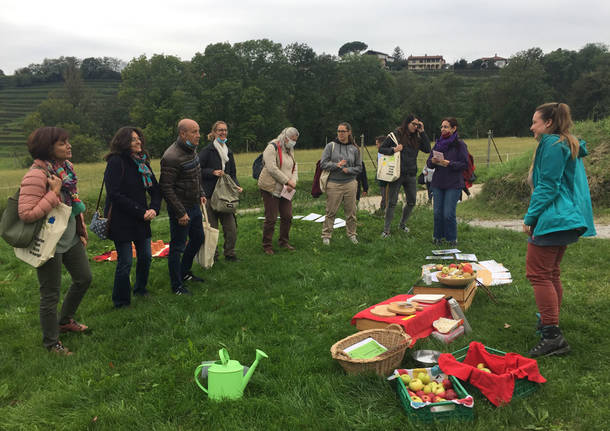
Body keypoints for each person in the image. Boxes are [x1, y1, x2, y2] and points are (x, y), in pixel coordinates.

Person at [523, 102, 596, 358]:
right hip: (564, 217)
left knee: (538, 274)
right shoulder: (564, 142)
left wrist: (530, 217)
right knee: (551, 272)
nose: (532, 127)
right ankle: (548, 322)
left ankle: (552, 336)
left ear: (549, 124)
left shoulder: (552, 145)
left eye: (535, 122)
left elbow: (549, 187)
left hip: (553, 218)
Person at [18, 127, 92, 355]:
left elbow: (71, 202)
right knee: (50, 293)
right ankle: (52, 343)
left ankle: (65, 320)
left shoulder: (66, 169)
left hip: (68, 236)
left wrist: (80, 227)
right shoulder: (36, 175)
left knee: (84, 278)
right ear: (48, 148)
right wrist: (53, 193)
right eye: (62, 143)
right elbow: (26, 213)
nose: (69, 146)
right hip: (48, 242)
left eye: (67, 142)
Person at [103, 127, 161, 308]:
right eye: (134, 139)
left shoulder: (142, 163)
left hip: (141, 219)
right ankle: (121, 301)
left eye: (139, 139)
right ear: (123, 142)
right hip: (122, 220)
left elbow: (155, 190)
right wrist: (140, 211)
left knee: (145, 257)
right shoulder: (115, 162)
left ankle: (141, 289)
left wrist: (154, 208)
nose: (139, 142)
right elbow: (114, 194)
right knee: (125, 261)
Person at [160, 119, 207, 295]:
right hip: (181, 209)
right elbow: (166, 187)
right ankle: (176, 285)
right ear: (183, 134)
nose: (198, 135)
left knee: (198, 238)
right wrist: (180, 213)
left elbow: (196, 175)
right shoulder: (171, 156)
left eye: (198, 131)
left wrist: (201, 192)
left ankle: (184, 272)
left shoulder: (192, 150)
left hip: (194, 204)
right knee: (178, 246)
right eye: (194, 132)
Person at [379, 114, 430, 237]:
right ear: (407, 123)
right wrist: (394, 150)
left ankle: (402, 224)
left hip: (411, 174)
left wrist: (422, 132)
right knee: (392, 202)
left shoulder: (417, 138)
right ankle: (386, 230)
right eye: (413, 124)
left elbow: (428, 149)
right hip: (397, 174)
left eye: (417, 125)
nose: (415, 126)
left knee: (412, 201)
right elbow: (381, 149)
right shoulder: (395, 135)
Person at [198, 121, 243, 261]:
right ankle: (213, 256)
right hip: (210, 195)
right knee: (212, 229)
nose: (223, 133)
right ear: (214, 132)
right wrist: (212, 172)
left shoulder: (228, 151)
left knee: (231, 228)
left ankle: (230, 253)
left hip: (226, 196)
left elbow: (233, 173)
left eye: (225, 130)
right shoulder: (207, 151)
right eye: (220, 130)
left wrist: (236, 185)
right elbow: (197, 170)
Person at [426, 117, 469, 246]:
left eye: (446, 127)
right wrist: (432, 161)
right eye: (442, 127)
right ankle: (437, 237)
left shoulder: (460, 144)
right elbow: (429, 163)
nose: (443, 129)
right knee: (437, 212)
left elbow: (464, 164)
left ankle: (452, 239)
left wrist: (449, 163)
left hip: (453, 183)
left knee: (448, 213)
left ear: (453, 128)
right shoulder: (438, 144)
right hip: (438, 182)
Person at [257, 127, 299, 255]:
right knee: (271, 218)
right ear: (286, 138)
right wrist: (287, 181)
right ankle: (267, 245)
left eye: (295, 140)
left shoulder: (290, 149)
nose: (294, 143)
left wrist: (293, 181)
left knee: (287, 215)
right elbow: (272, 168)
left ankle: (283, 241)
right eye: (292, 140)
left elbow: (294, 166)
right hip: (270, 187)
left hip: (286, 188)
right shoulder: (272, 147)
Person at [320, 122, 362, 245]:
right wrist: (336, 165)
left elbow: (359, 167)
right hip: (334, 184)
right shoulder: (330, 146)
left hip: (350, 183)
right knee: (331, 211)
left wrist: (348, 170)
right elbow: (323, 164)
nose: (340, 134)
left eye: (343, 131)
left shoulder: (354, 149)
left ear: (349, 132)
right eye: (338, 131)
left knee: (351, 212)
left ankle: (352, 234)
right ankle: (326, 235)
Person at [374, 136, 387, 215]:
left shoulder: (384, 152)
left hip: (385, 177)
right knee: (383, 194)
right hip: (381, 176)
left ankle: (383, 211)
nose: (376, 146)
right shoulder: (380, 152)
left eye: (377, 144)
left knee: (385, 195)